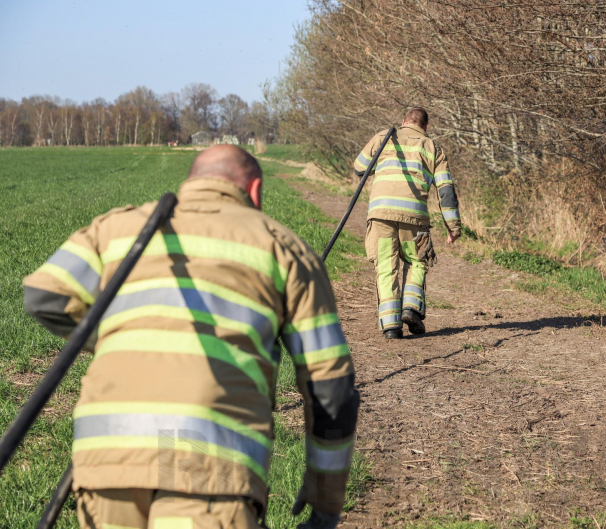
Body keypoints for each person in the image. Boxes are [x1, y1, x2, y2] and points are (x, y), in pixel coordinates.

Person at [24, 145, 358, 529]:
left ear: (191, 181)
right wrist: (325, 503)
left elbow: (44, 295)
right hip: (204, 454)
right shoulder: (283, 248)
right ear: (254, 190)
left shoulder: (114, 227)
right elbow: (331, 388)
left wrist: (119, 338)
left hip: (109, 453)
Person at [354, 107, 461, 339]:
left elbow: (359, 168)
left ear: (404, 121)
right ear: (426, 127)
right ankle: (411, 308)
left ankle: (391, 327)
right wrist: (453, 227)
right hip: (415, 218)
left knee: (385, 267)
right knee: (417, 261)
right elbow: (446, 191)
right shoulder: (433, 148)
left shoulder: (384, 138)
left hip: (380, 216)